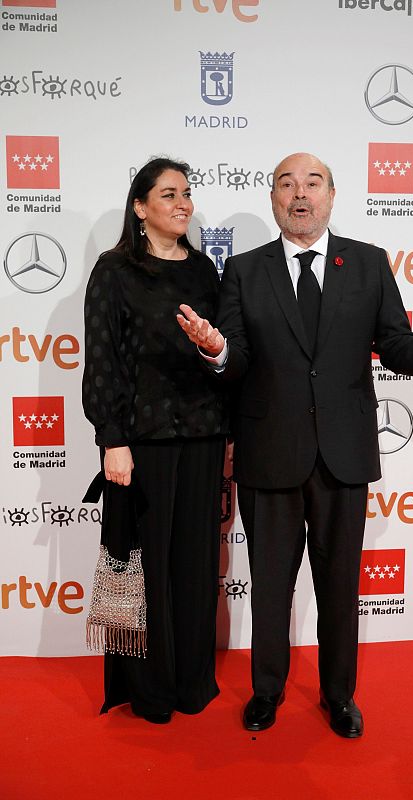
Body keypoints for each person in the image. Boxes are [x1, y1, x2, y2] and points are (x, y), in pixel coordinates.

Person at [177, 152, 413, 738]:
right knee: (270, 586)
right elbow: (236, 355)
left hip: (344, 453)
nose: (300, 194)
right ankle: (267, 691)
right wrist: (215, 350)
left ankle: (340, 696)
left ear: (332, 196)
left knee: (339, 586)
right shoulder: (242, 269)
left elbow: (392, 341)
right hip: (269, 451)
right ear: (273, 199)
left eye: (312, 183)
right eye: (287, 184)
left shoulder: (366, 263)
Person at [83, 157, 228, 724]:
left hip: (204, 435)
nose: (183, 203)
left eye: (187, 193)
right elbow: (101, 362)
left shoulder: (204, 271)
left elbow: (221, 353)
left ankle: (192, 683)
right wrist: (111, 438)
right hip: (140, 441)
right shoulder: (114, 270)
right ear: (140, 207)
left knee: (194, 566)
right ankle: (145, 689)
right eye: (169, 194)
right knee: (137, 563)